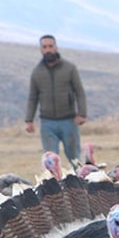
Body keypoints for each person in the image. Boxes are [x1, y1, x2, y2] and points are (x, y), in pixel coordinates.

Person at [24, 34, 87, 164]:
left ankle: (80, 183)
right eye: (45, 47)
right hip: (47, 123)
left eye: (50, 46)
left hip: (69, 121)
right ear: (41, 49)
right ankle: (54, 184)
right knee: (50, 160)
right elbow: (33, 97)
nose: (48, 50)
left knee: (75, 159)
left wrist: (82, 114)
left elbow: (79, 92)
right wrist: (29, 120)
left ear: (56, 47)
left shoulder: (69, 68)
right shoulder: (37, 72)